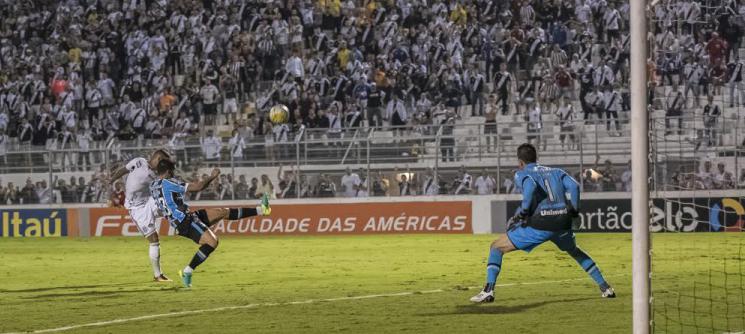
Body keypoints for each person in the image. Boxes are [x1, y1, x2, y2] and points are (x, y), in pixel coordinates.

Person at [470, 143, 615, 303]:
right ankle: (606, 287)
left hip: (540, 224)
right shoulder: (556, 171)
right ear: (536, 157)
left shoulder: (521, 173)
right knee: (575, 251)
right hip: (562, 221)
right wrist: (574, 212)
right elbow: (574, 186)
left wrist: (523, 213)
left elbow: (531, 186)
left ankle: (488, 290)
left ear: (520, 162)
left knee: (496, 247)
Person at [150, 160, 271, 288]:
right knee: (212, 242)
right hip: (184, 221)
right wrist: (213, 176)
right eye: (172, 171)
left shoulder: (153, 185)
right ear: (169, 171)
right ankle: (188, 271)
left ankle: (262, 210)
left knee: (223, 212)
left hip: (186, 217)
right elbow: (198, 187)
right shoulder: (169, 183)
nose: (174, 173)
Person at [109, 150, 172, 282]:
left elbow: (124, 170)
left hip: (149, 200)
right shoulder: (145, 169)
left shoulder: (145, 165)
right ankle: (157, 275)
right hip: (137, 209)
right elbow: (125, 170)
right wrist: (113, 179)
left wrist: (113, 179)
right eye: (163, 162)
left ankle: (182, 221)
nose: (163, 166)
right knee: (154, 240)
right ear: (158, 159)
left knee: (170, 206)